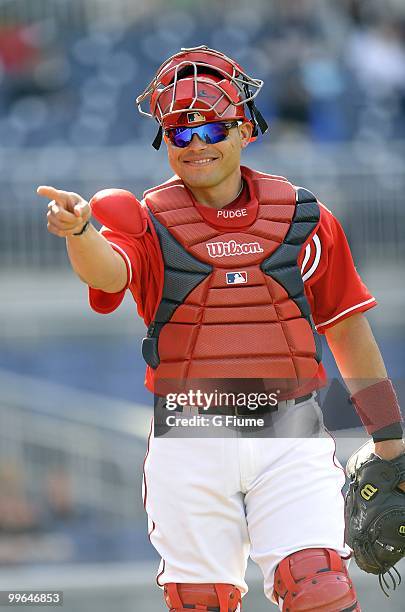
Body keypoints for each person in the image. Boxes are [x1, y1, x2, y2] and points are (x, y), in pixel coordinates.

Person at [37, 46, 404, 611]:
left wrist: (390, 436)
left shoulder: (306, 217)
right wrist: (82, 232)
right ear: (164, 143)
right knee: (202, 601)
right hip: (190, 439)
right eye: (180, 134)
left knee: (321, 592)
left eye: (213, 127)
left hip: (291, 438)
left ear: (246, 130)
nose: (198, 144)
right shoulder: (143, 218)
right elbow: (109, 272)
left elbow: (346, 327)